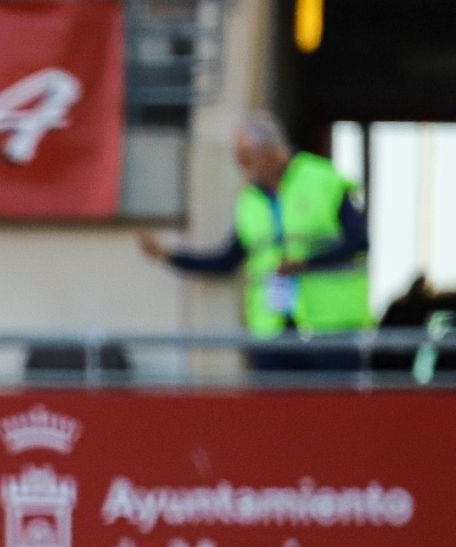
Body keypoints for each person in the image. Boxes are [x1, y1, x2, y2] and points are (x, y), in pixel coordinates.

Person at [138, 113, 372, 373]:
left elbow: (359, 242)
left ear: (271, 152)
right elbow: (227, 260)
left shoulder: (323, 179)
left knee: (333, 411)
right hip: (273, 330)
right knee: (273, 412)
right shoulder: (249, 200)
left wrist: (306, 263)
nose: (241, 166)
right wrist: (168, 255)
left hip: (333, 326)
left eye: (246, 157)